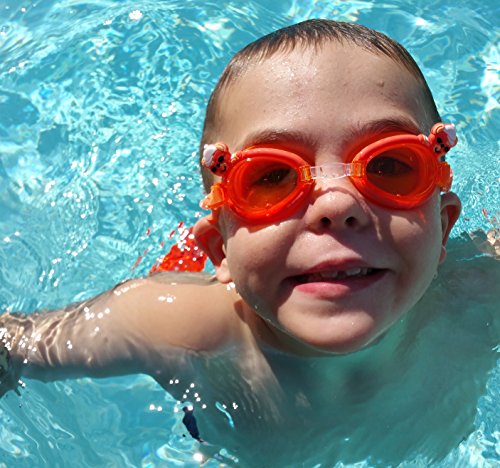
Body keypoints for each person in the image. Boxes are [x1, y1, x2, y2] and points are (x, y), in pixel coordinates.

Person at [0, 19, 497, 465]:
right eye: (272, 176)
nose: (337, 203)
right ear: (220, 250)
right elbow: (15, 344)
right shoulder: (175, 326)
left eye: (389, 166)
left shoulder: (479, 292)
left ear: (444, 227)